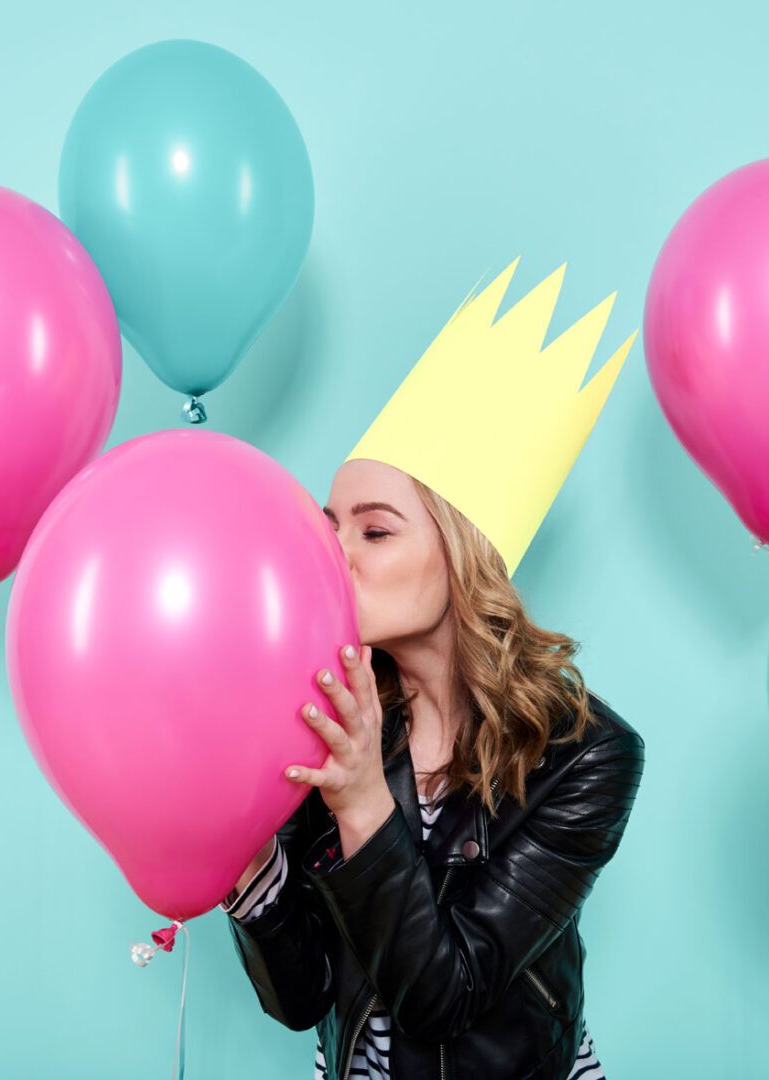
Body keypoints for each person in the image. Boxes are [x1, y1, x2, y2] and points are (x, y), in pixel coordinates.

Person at [224, 260, 645, 1079]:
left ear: (460, 560)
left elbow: (446, 997)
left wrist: (360, 802)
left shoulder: (589, 756)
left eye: (374, 533)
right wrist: (240, 855)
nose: (333, 555)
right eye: (329, 527)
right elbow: (303, 998)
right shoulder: (329, 714)